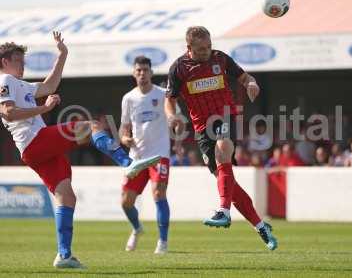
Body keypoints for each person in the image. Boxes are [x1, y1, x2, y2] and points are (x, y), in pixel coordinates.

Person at [0, 33, 160, 268]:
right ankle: (127, 163)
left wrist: (63, 55)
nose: (23, 65)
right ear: (5, 61)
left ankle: (63, 255)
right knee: (91, 126)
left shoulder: (19, 84)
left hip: (35, 150)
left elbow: (50, 85)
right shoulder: (5, 81)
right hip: (36, 141)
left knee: (66, 196)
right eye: (19, 61)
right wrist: (44, 108)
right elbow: (8, 112)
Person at [164, 26, 277, 251]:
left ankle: (223, 211)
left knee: (222, 149)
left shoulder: (221, 58)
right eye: (201, 49)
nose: (207, 51)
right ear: (189, 48)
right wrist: (172, 116)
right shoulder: (179, 68)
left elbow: (245, 77)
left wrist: (252, 84)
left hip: (226, 114)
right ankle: (260, 226)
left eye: (209, 46)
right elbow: (170, 99)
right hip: (201, 127)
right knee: (229, 184)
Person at [119, 56, 171, 254]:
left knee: (158, 192)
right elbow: (124, 129)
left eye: (145, 70)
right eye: (138, 70)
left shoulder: (163, 94)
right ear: (134, 73)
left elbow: (174, 117)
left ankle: (163, 242)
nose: (142, 73)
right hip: (137, 157)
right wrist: (125, 139)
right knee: (126, 201)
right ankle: (137, 228)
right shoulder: (129, 98)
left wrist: (178, 134)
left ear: (151, 72)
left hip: (159, 154)